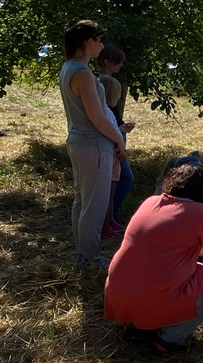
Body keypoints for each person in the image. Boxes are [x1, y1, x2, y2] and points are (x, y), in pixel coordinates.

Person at [104, 162, 203, 352]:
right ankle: (170, 337)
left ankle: (145, 327)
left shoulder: (150, 202)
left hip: (119, 292)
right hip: (156, 296)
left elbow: (168, 247)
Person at [60, 20, 126, 271]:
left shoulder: (69, 67)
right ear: (89, 42)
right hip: (93, 144)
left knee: (82, 201)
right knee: (94, 205)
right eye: (99, 40)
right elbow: (98, 118)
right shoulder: (83, 73)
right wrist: (119, 139)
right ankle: (90, 258)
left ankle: (83, 255)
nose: (102, 45)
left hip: (78, 142)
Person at [96, 45, 135, 226]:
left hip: (115, 142)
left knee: (118, 180)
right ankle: (109, 219)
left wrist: (122, 126)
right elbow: (105, 120)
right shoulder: (103, 85)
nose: (120, 65)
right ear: (107, 62)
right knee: (122, 180)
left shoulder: (105, 84)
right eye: (117, 62)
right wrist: (119, 139)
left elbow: (112, 117)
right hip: (112, 147)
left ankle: (110, 219)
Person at [97, 74, 129, 239]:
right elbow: (111, 132)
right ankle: (104, 226)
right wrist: (120, 149)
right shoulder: (105, 112)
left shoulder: (105, 111)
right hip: (112, 155)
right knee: (107, 193)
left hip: (113, 156)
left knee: (111, 190)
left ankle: (109, 222)